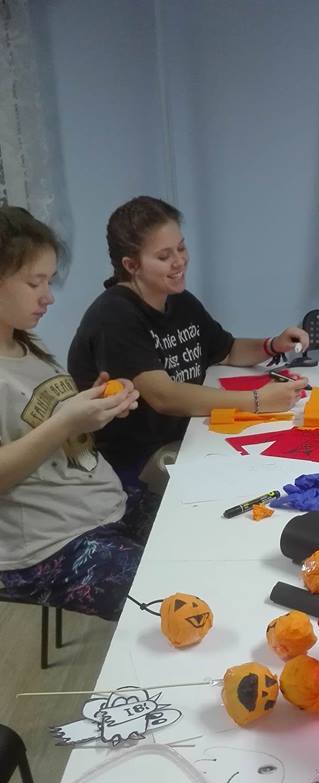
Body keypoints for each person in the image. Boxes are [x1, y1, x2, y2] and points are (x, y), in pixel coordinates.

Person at [68, 196, 309, 481]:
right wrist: (257, 400)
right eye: (164, 256)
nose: (179, 261)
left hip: (190, 434)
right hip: (139, 461)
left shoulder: (179, 300)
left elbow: (228, 350)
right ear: (131, 265)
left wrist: (272, 344)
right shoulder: (114, 316)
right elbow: (164, 396)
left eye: (181, 248)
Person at [0, 206, 159, 621]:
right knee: (169, 598)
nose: (48, 296)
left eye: (49, 281)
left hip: (103, 504)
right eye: (34, 282)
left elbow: (42, 419)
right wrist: (67, 421)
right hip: (49, 543)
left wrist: (95, 403)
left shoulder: (25, 343)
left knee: (204, 535)